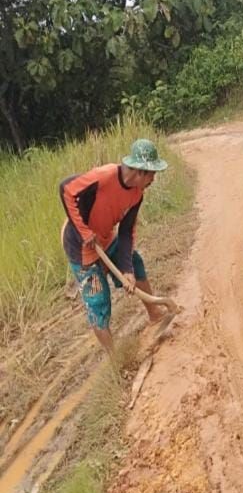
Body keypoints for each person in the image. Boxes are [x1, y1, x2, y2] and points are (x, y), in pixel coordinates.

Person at [59, 138, 169, 353]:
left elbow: (127, 232)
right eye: (152, 174)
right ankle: (115, 360)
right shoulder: (104, 176)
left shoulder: (137, 195)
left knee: (135, 263)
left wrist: (126, 271)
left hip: (105, 238)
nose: (153, 179)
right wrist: (84, 231)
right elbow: (66, 189)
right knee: (99, 303)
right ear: (140, 172)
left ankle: (155, 315)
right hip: (80, 247)